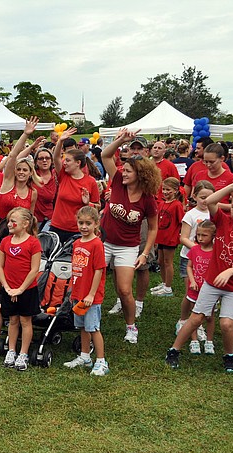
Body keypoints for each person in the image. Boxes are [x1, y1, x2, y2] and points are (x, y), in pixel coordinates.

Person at [166, 180, 233, 372]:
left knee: (226, 324)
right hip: (212, 282)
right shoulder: (223, 222)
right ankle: (174, 350)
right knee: (195, 318)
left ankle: (229, 356)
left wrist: (230, 271)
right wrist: (232, 187)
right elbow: (210, 201)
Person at [99, 128, 160, 344]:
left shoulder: (147, 199)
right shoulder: (116, 181)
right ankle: (89, 322)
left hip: (128, 246)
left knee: (125, 290)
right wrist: (121, 141)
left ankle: (131, 326)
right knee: (94, 286)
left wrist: (145, 253)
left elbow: (153, 228)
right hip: (104, 242)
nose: (123, 173)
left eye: (128, 171)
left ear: (140, 174)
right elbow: (105, 156)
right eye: (123, 169)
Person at [63, 206, 108, 376]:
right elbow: (76, 269)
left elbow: (99, 270)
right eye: (81, 222)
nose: (84, 226)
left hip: (91, 297)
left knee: (93, 328)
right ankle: (85, 356)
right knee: (82, 327)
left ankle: (101, 361)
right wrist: (73, 290)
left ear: (96, 224)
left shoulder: (96, 244)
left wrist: (91, 294)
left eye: (88, 223)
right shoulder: (76, 243)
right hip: (78, 294)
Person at [0, 207, 41, 371]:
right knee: (13, 320)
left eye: (13, 220)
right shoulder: (5, 241)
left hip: (27, 290)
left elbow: (34, 270)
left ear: (25, 223)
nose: (9, 224)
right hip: (9, 289)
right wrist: (7, 287)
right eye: (8, 220)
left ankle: (23, 353)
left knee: (25, 320)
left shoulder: (33, 243)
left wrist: (20, 289)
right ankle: (12, 350)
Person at [0, 118, 41, 234]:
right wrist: (25, 134)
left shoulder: (32, 193)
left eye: (25, 170)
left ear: (30, 173)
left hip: (19, 233)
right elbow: (13, 156)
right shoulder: (8, 183)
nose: (21, 172)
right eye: (18, 169)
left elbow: (30, 217)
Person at [176, 181, 215, 337]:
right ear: (195, 197)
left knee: (206, 293)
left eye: (209, 197)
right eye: (202, 197)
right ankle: (184, 320)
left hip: (210, 260)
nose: (205, 201)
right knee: (191, 292)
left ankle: (200, 322)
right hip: (190, 259)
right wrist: (198, 250)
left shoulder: (214, 213)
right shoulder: (190, 214)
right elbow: (183, 238)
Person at [50, 128, 99, 242]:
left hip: (79, 230)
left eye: (68, 160)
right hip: (57, 227)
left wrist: (88, 204)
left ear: (78, 163)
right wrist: (60, 141)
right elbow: (56, 157)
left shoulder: (90, 182)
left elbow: (98, 206)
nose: (64, 163)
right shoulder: (63, 175)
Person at [181, 221, 217, 355]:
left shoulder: (216, 252)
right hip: (195, 289)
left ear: (213, 236)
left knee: (210, 316)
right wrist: (192, 280)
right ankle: (194, 340)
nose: (200, 238)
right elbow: (189, 266)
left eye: (204, 235)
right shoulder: (195, 250)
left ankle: (209, 341)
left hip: (210, 290)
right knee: (194, 315)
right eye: (198, 235)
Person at [151, 178, 184, 297]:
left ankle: (168, 287)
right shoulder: (162, 203)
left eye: (168, 190)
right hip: (161, 237)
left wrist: (180, 235)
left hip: (170, 238)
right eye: (163, 189)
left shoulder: (177, 205)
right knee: (160, 261)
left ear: (175, 190)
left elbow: (181, 221)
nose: (165, 192)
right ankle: (164, 283)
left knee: (167, 262)